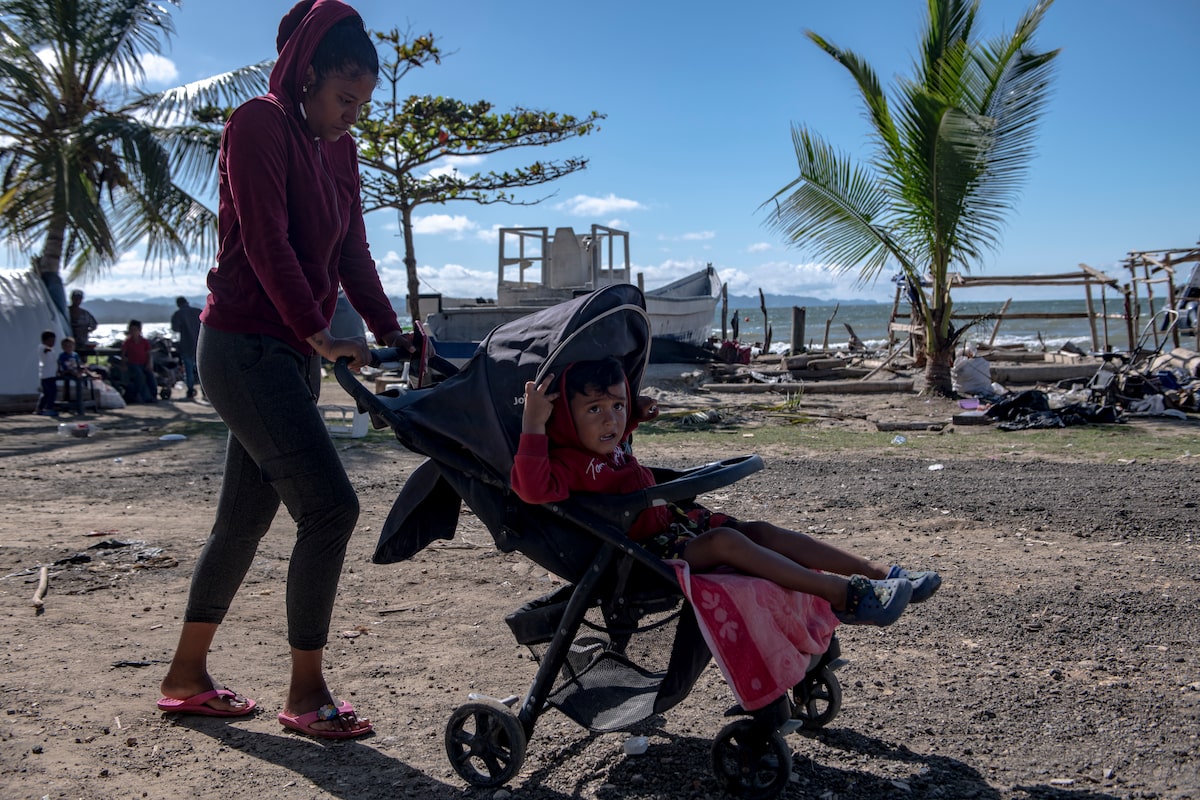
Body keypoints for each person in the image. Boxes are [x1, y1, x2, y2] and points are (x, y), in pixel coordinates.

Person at [157, 0, 412, 740]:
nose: (352, 116)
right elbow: (266, 240)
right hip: (243, 347)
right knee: (330, 509)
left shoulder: (340, 150)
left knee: (242, 521)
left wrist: (392, 331)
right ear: (306, 77)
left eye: (362, 103)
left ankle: (185, 679)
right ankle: (306, 694)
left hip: (291, 354)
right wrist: (317, 331)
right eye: (343, 98)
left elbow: (351, 251)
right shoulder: (257, 124)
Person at [511, 357, 942, 626]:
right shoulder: (565, 463)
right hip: (640, 555)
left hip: (673, 529)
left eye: (616, 406)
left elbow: (616, 437)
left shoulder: (608, 445)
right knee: (726, 542)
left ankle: (881, 572)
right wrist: (533, 423)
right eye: (594, 409)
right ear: (563, 420)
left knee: (761, 531)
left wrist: (635, 413)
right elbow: (530, 489)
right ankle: (844, 595)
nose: (610, 421)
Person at [170, 297, 203, 400]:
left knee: (189, 370)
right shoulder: (198, 311)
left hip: (186, 345)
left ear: (178, 304)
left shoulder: (178, 314)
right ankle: (205, 391)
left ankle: (190, 391)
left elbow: (175, 328)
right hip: (200, 344)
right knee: (201, 369)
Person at [119, 320, 157, 403]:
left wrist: (149, 364)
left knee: (150, 375)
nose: (133, 332)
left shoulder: (144, 342)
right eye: (131, 330)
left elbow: (149, 354)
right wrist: (123, 365)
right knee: (140, 376)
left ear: (139, 330)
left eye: (135, 330)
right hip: (133, 364)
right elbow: (123, 355)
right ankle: (146, 397)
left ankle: (153, 395)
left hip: (144, 363)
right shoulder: (128, 342)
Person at [57, 337, 95, 414]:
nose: (69, 348)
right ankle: (79, 375)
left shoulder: (75, 355)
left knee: (84, 368)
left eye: (70, 346)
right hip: (67, 370)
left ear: (74, 346)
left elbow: (79, 363)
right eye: (66, 346)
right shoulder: (62, 355)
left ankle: (91, 374)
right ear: (63, 347)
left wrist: (82, 367)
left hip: (75, 369)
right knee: (72, 371)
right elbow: (63, 365)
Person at [67, 289, 98, 361]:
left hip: (82, 345)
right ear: (71, 298)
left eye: (79, 298)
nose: (77, 300)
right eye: (75, 298)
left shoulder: (85, 313)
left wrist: (86, 330)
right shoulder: (65, 312)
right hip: (67, 345)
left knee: (82, 362)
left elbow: (94, 325)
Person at [35, 330, 59, 417]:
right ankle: (49, 408)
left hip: (51, 374)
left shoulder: (52, 350)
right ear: (44, 340)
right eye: (50, 341)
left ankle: (40, 408)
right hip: (46, 375)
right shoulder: (42, 347)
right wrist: (47, 349)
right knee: (51, 392)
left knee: (46, 393)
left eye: (53, 341)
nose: (52, 343)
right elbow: (44, 350)